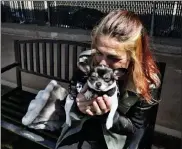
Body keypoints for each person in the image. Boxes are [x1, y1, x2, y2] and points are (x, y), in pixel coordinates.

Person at [56, 10, 161, 149]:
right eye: (99, 53)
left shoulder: (147, 81)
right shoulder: (87, 65)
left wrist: (108, 115)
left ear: (133, 56)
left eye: (114, 57)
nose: (102, 63)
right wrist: (78, 106)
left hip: (115, 139)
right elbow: (69, 101)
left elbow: (136, 128)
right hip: (81, 130)